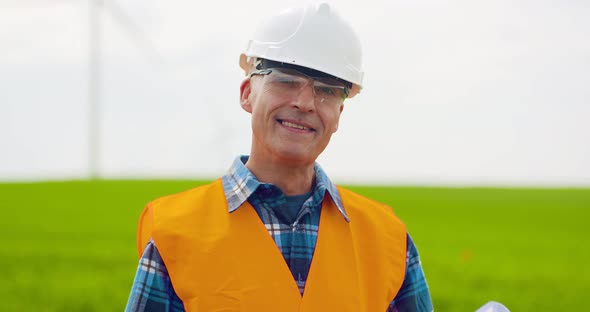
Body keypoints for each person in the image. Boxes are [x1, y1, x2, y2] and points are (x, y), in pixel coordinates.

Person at [125, 3, 432, 311]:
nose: (305, 103)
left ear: (339, 113)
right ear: (247, 94)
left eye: (327, 90)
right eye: (286, 81)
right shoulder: (175, 233)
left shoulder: (387, 240)